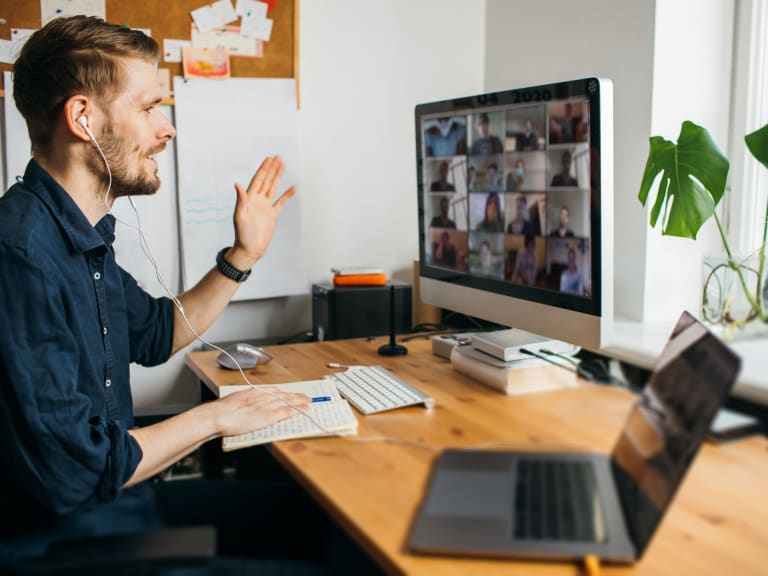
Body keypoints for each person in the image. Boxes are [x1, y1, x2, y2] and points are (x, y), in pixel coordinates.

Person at [0, 16, 326, 572]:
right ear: (82, 118)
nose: (166, 128)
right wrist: (217, 419)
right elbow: (75, 473)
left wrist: (242, 255)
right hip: (63, 544)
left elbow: (156, 334)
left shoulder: (78, 234)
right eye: (150, 107)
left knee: (320, 524)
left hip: (121, 506)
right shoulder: (21, 253)